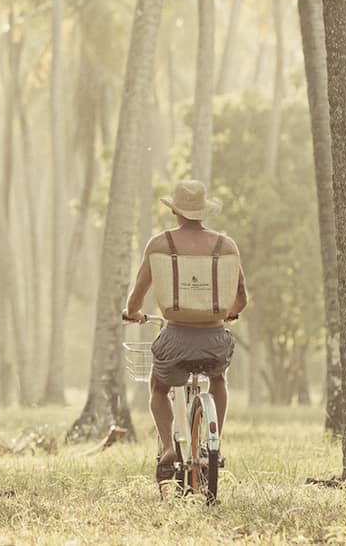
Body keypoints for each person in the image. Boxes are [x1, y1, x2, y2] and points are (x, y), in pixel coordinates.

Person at [123, 179, 247, 482]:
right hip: (215, 339)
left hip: (175, 338)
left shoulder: (160, 245)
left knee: (159, 388)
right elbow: (240, 297)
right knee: (218, 378)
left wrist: (133, 313)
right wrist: (229, 314)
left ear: (176, 211)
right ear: (203, 212)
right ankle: (212, 445)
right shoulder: (225, 246)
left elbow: (137, 295)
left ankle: (168, 446)